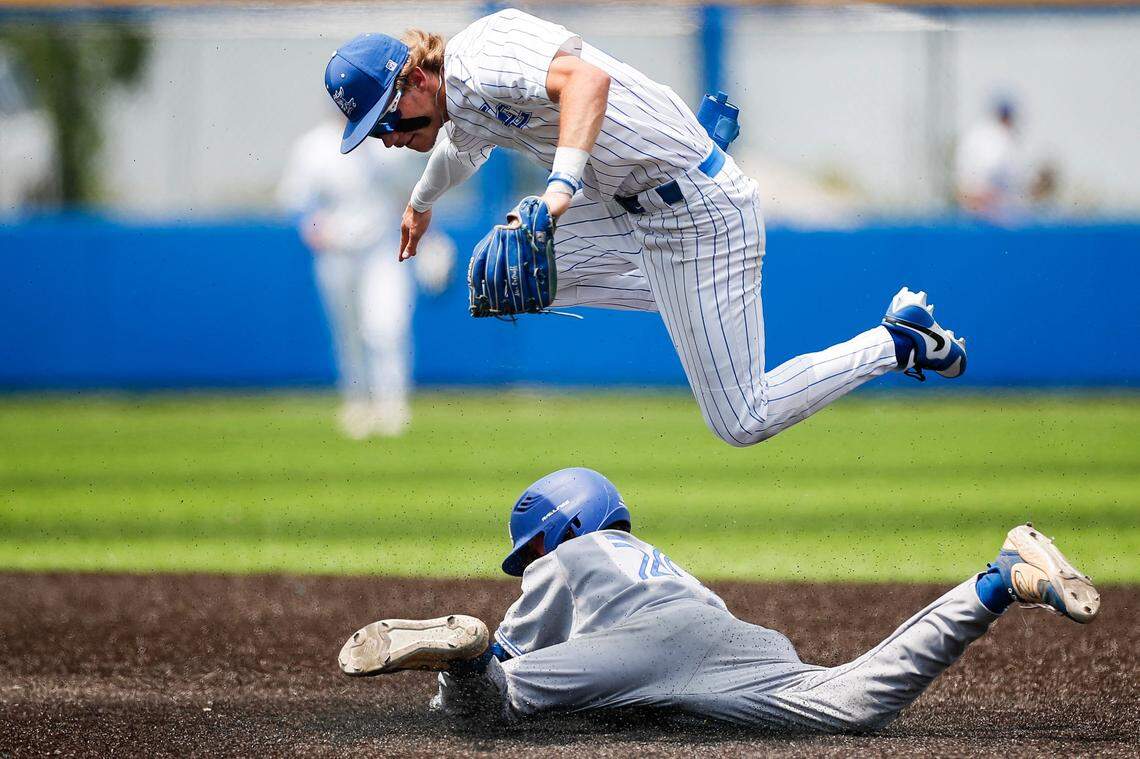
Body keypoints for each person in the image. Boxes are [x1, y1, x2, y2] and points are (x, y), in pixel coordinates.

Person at [320, 9, 968, 448]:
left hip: (695, 217)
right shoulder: (460, 103)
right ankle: (692, 219)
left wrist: (559, 187)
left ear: (417, 75)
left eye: (385, 117)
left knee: (742, 419)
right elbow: (463, 145)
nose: (385, 136)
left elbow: (587, 79)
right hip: (636, 205)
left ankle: (897, 342)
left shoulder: (483, 54)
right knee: (504, 272)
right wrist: (421, 201)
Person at [337, 467, 1101, 732]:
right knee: (853, 700)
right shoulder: (656, 559)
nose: (529, 560)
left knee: (491, 703)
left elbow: (517, 648)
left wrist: (467, 678)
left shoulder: (568, 554)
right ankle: (998, 581)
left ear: (558, 527)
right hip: (732, 636)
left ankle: (451, 650)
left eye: (530, 545)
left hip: (644, 646)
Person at [277, 116, 454, 438]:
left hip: (384, 248)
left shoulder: (392, 144)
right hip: (336, 252)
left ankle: (393, 406)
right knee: (348, 333)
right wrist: (316, 231)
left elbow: (416, 197)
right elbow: (299, 203)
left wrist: (432, 240)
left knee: (387, 327)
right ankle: (357, 405)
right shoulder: (314, 146)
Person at [955, 97, 1055, 223]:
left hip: (967, 204)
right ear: (1007, 118)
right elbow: (994, 172)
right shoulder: (999, 137)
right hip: (989, 207)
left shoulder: (975, 132)